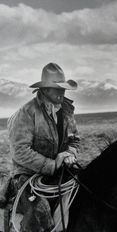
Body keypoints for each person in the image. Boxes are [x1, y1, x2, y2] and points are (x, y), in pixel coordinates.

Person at [7, 63, 80, 231]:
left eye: (63, 88)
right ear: (45, 90)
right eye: (58, 88)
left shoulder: (67, 110)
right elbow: (20, 151)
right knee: (40, 212)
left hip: (62, 171)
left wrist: (69, 153)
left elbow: (74, 140)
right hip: (28, 174)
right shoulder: (27, 112)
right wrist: (52, 164)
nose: (62, 92)